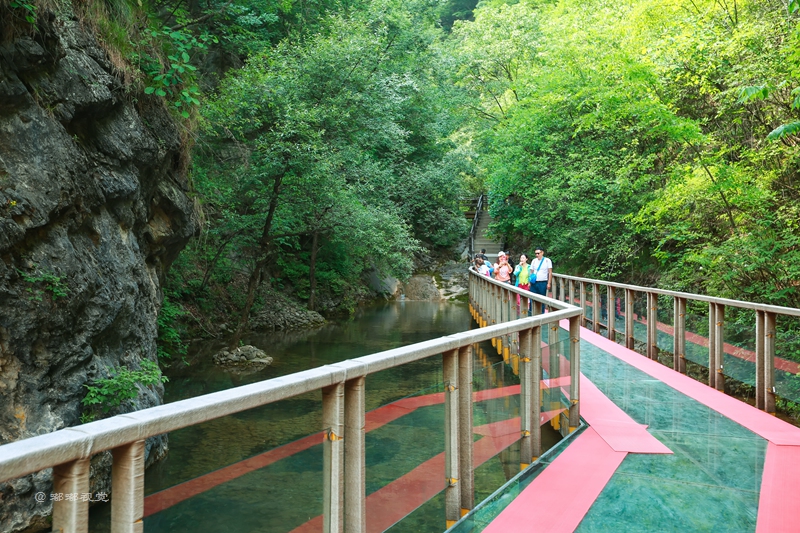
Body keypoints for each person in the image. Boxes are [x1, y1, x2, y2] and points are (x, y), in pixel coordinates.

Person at [530, 247, 552, 313]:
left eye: (538, 253)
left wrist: (549, 283)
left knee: (542, 298)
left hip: (543, 282)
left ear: (542, 253)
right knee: (532, 298)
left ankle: (541, 313)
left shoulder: (547, 260)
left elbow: (550, 272)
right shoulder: (534, 261)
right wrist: (529, 281)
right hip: (534, 282)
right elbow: (531, 271)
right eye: (536, 253)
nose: (537, 255)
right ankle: (532, 312)